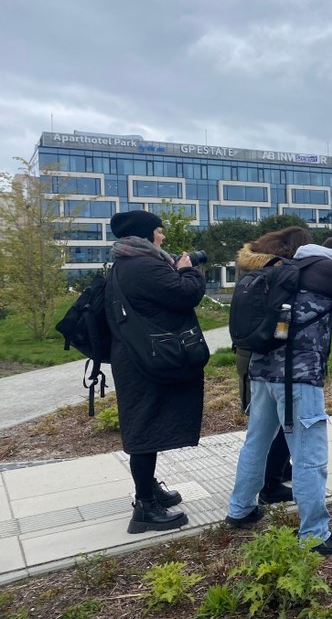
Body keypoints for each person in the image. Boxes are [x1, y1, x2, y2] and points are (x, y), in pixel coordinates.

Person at [225, 233, 332, 556]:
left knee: (256, 441)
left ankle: (240, 509)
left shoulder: (284, 267)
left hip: (261, 369)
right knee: (309, 451)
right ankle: (314, 533)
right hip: (298, 377)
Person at [106, 210, 207, 534]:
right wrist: (189, 271)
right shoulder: (144, 265)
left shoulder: (124, 263)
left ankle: (150, 492)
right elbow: (186, 294)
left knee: (145, 424)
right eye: (159, 231)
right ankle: (145, 508)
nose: (162, 236)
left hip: (133, 354)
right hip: (143, 359)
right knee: (144, 429)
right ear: (145, 234)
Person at [234, 226, 312, 505]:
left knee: (260, 427)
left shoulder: (251, 266)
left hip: (248, 351)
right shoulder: (281, 271)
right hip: (275, 355)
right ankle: (271, 482)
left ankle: (255, 490)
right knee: (281, 423)